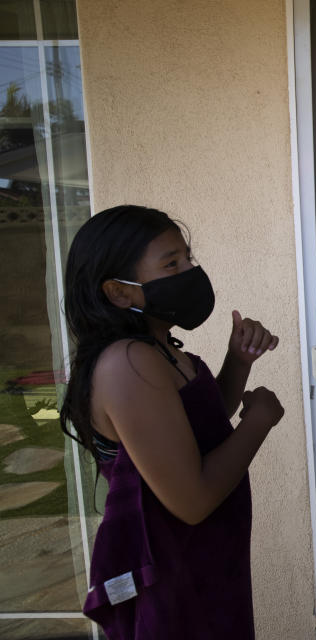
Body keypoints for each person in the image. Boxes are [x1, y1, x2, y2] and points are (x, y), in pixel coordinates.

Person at [59, 205, 284, 638]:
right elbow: (192, 499)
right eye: (172, 264)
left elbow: (196, 426)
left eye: (188, 259)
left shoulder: (160, 347)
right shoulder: (127, 362)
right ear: (120, 293)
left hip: (206, 568)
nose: (189, 272)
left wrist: (237, 363)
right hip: (175, 588)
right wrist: (259, 422)